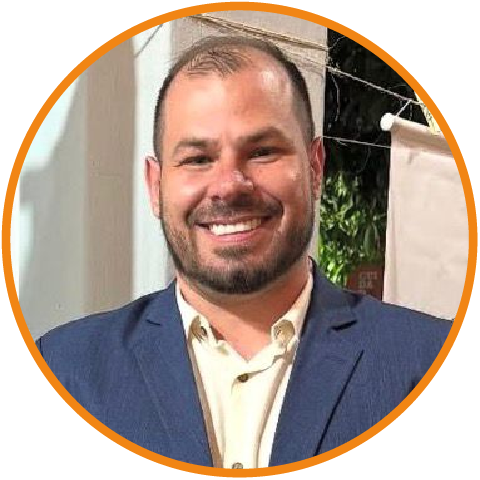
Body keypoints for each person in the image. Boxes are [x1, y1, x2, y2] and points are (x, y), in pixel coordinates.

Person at [36, 35, 451, 469]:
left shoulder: (433, 364)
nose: (229, 185)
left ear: (314, 168)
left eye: (263, 152)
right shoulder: (63, 374)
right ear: (156, 186)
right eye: (198, 159)